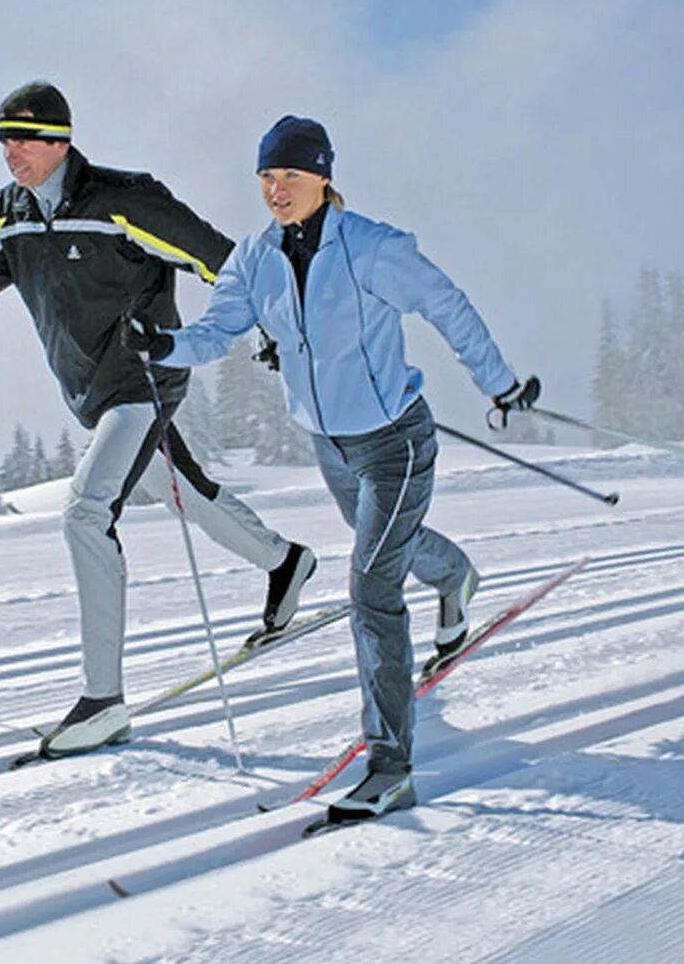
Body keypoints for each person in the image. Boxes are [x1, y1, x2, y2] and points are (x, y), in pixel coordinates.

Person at [0, 82, 317, 756]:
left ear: (60, 141)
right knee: (175, 489)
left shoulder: (121, 201)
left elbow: (219, 259)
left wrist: (270, 323)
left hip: (145, 378)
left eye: (25, 139)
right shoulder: (8, 216)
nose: (13, 152)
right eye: (4, 139)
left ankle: (103, 700)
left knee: (86, 511)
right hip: (92, 393)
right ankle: (284, 561)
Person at [124, 115, 538, 826]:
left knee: (372, 587)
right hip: (330, 446)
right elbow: (220, 329)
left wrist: (498, 384)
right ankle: (455, 574)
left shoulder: (372, 248)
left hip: (395, 442)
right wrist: (165, 344)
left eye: (288, 175)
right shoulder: (256, 258)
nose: (275, 190)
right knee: (384, 546)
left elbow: (448, 306)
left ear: (323, 176)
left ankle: (390, 765)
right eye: (265, 177)